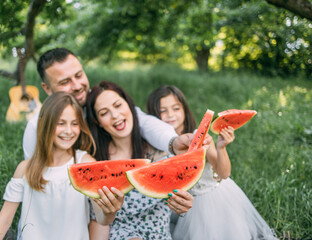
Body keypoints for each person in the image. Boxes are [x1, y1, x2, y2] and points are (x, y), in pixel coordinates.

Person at [147, 85, 278, 240]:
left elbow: (223, 173)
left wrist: (221, 147)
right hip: (188, 206)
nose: (170, 115)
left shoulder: (199, 136)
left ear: (184, 110)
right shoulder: (159, 147)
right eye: (163, 111)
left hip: (217, 198)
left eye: (176, 108)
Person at [0, 92, 124, 240]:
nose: (68, 131)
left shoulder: (85, 163)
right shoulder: (24, 169)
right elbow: (4, 220)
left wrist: (110, 211)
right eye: (60, 123)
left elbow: (101, 218)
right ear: (43, 124)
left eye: (75, 123)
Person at [23, 48, 193, 161]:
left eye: (79, 75)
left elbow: (145, 123)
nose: (76, 86)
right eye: (65, 82)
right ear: (47, 88)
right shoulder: (37, 126)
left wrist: (172, 142)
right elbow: (34, 174)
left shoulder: (100, 102)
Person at [85, 81, 194, 240]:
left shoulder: (162, 152)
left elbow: (180, 206)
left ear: (129, 106)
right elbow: (99, 221)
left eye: (118, 105)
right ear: (98, 122)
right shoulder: (99, 164)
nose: (115, 115)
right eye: (104, 113)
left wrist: (183, 206)